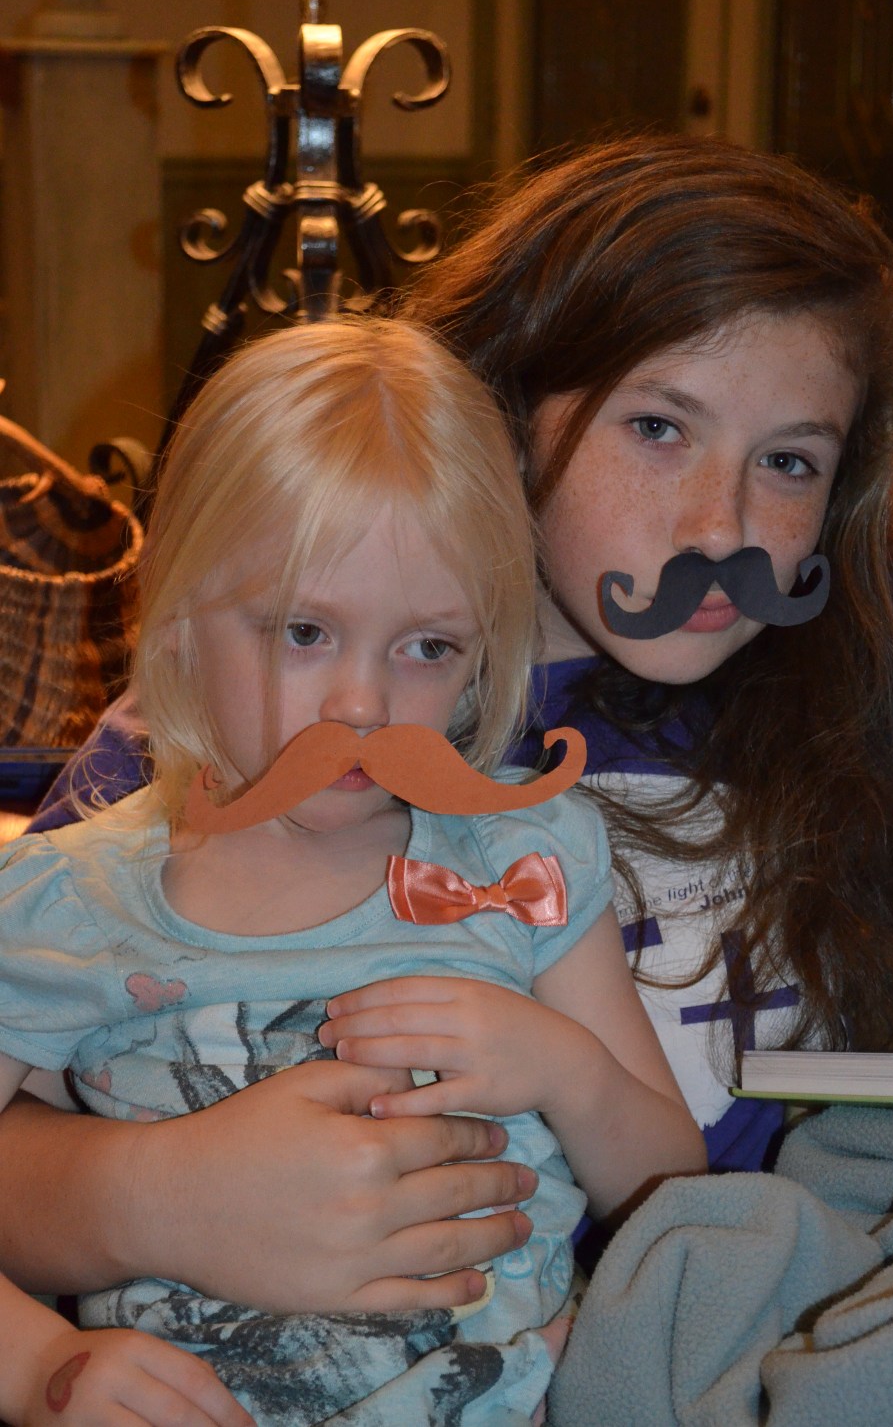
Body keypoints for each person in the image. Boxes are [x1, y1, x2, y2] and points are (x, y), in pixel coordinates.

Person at [6, 133, 893, 1308]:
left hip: (767, 1314)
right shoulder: (259, 714)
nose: (719, 527)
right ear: (509, 406)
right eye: (657, 427)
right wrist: (150, 1197)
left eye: (789, 459)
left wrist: (874, 329)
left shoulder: (883, 648)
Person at [0, 317, 703, 1426]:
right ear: (177, 618)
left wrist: (569, 1070)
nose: (363, 703)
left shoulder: (523, 860)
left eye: (429, 647)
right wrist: (37, 1364)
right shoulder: (70, 903)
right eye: (303, 631)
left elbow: (673, 1188)